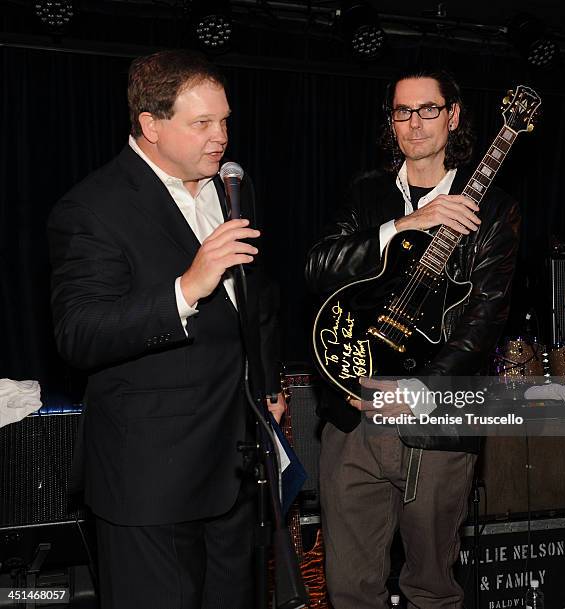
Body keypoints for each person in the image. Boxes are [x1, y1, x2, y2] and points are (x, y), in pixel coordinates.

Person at [48, 50, 285, 609]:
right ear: (150, 126)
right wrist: (186, 288)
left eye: (224, 119)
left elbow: (258, 305)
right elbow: (79, 333)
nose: (220, 135)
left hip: (235, 466)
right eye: (201, 122)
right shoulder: (92, 207)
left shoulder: (230, 190)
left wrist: (268, 386)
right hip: (151, 481)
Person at [305, 70, 520, 608]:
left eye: (428, 109)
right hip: (351, 413)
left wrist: (419, 389)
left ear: (453, 115)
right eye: (403, 111)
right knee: (349, 588)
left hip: (437, 420)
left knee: (431, 588)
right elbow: (317, 267)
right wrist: (404, 226)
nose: (414, 123)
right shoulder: (367, 192)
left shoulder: (494, 208)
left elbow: (485, 317)